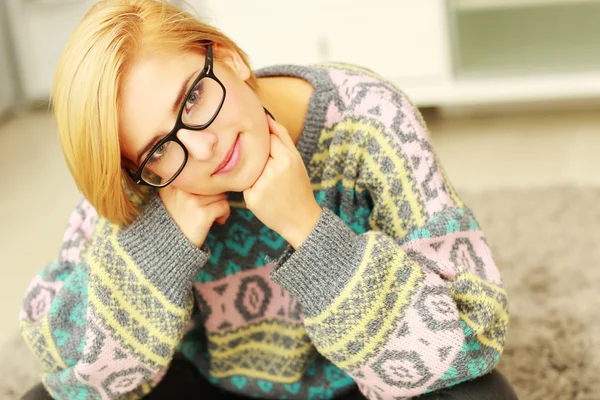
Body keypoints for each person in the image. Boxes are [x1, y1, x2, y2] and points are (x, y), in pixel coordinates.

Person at [19, 1, 517, 399]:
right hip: (206, 383)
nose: (201, 145)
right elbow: (64, 368)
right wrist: (157, 251)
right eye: (157, 147)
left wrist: (309, 228)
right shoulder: (148, 182)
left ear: (227, 56)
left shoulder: (370, 120)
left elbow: (475, 331)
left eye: (192, 98)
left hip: (359, 384)